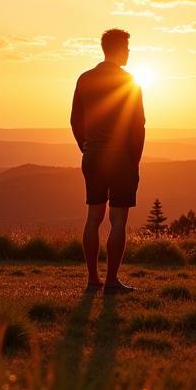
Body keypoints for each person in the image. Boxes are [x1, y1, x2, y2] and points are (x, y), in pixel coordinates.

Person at [70, 28, 145, 293]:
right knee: (118, 220)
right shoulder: (129, 81)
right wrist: (134, 158)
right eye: (126, 47)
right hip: (122, 157)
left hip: (93, 155)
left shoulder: (85, 79)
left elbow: (75, 120)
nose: (128, 52)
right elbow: (139, 124)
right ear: (117, 48)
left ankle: (92, 280)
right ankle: (112, 280)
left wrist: (86, 147)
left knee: (93, 217)